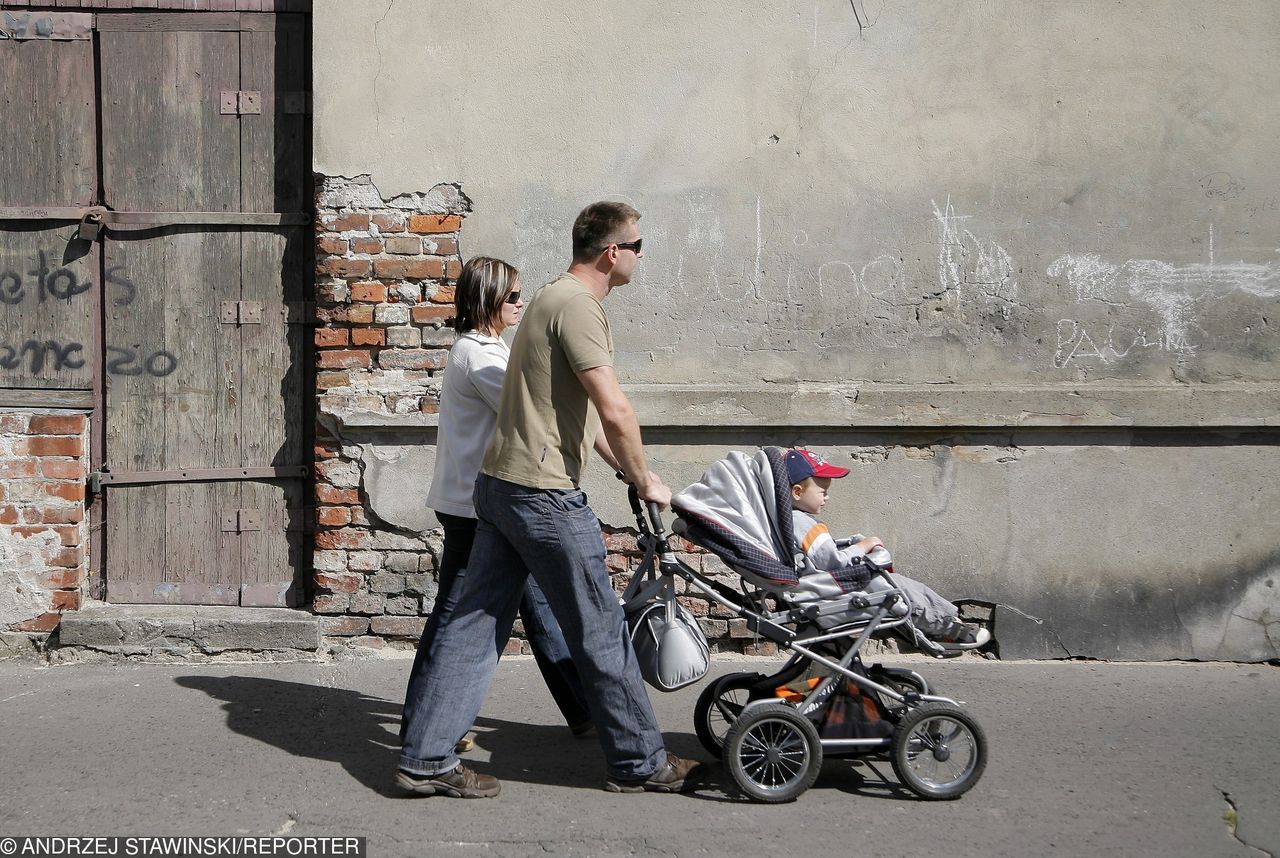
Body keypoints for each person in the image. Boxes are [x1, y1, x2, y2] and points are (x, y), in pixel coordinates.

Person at [397, 202, 706, 798]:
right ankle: (641, 761)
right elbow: (613, 408)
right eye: (637, 246)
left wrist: (621, 469)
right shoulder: (579, 309)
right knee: (600, 628)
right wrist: (647, 479)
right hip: (543, 497)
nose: (641, 256)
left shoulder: (547, 298)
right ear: (612, 253)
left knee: (473, 624)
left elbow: (571, 412)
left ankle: (426, 758)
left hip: (501, 488)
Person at [400, 256, 591, 753]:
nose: (521, 303)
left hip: (487, 503)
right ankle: (422, 727)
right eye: (513, 297)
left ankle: (587, 711)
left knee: (542, 606)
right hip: (473, 508)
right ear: (488, 300)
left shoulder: (488, 350)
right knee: (453, 619)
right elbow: (532, 410)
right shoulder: (481, 358)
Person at [785, 447, 991, 649]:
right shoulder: (806, 525)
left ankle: (946, 625)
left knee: (902, 586)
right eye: (823, 492)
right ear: (797, 492)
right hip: (835, 588)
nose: (827, 497)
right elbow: (833, 561)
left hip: (822, 585)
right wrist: (862, 546)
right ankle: (948, 628)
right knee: (901, 588)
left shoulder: (792, 521)